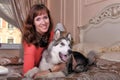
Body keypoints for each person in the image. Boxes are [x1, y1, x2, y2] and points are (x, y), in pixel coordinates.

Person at [22, 4, 65, 77]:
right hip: (36, 69)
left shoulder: (51, 34)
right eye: (38, 19)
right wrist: (52, 70)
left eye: (45, 17)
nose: (43, 22)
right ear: (33, 23)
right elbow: (27, 74)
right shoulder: (30, 46)